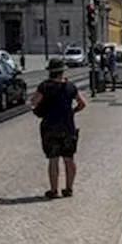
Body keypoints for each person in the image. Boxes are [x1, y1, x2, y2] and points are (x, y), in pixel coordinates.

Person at [30, 58, 87, 199]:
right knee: (69, 159)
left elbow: (33, 101)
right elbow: (82, 103)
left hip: (50, 127)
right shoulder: (70, 86)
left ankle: (54, 190)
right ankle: (69, 189)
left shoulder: (44, 86)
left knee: (53, 159)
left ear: (50, 71)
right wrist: (72, 112)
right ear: (62, 71)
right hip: (68, 127)